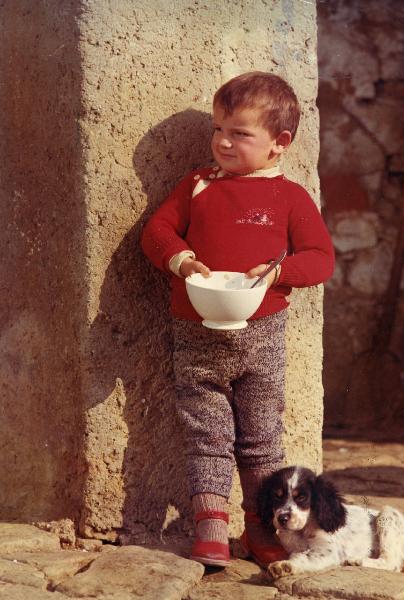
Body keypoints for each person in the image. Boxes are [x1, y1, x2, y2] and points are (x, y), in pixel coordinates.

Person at [141, 71, 334, 568]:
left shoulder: (289, 198)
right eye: (218, 128)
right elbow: (158, 230)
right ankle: (210, 525)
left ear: (279, 144)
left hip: (262, 336)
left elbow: (320, 258)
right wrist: (181, 259)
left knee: (261, 438)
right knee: (206, 433)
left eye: (240, 133)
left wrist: (279, 272)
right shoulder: (198, 187)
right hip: (197, 333)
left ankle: (260, 526)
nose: (223, 141)